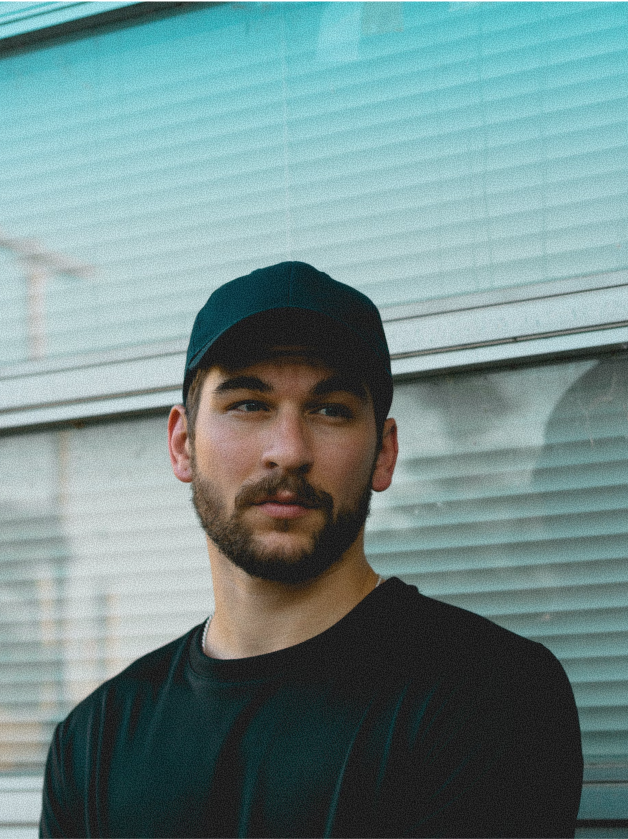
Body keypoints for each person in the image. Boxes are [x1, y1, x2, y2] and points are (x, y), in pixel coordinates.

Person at [40, 262, 583, 839]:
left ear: (384, 454)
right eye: (249, 404)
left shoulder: (492, 696)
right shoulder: (93, 741)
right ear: (183, 444)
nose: (289, 451)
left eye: (330, 410)